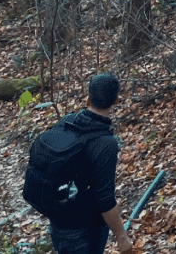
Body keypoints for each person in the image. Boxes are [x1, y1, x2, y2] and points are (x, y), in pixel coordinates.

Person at [49, 72, 134, 254]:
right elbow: (104, 198)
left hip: (57, 222)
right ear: (116, 100)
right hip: (84, 230)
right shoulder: (106, 144)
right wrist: (121, 236)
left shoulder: (66, 122)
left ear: (87, 98)